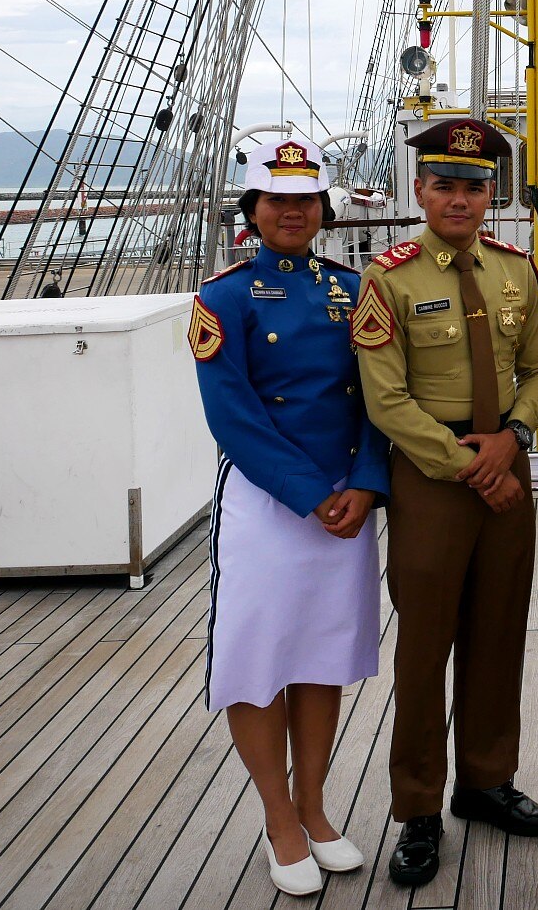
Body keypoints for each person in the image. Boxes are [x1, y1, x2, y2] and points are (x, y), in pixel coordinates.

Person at [349, 116, 538, 887]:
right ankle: (417, 810)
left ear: (492, 193)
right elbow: (386, 400)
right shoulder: (389, 280)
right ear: (421, 190)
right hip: (433, 478)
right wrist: (471, 465)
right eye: (446, 185)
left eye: (474, 186)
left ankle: (485, 781)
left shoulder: (513, 270)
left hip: (507, 462)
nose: (460, 199)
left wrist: (517, 439)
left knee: (499, 630)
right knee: (425, 643)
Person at [190, 139, 390, 898]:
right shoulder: (225, 299)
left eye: (305, 200)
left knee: (321, 657)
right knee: (256, 659)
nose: (291, 212)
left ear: (323, 211)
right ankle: (279, 816)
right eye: (276, 200)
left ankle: (315, 805)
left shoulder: (354, 288)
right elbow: (233, 418)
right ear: (252, 211)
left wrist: (368, 484)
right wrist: (313, 493)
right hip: (272, 505)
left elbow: (380, 393)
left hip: (348, 501)